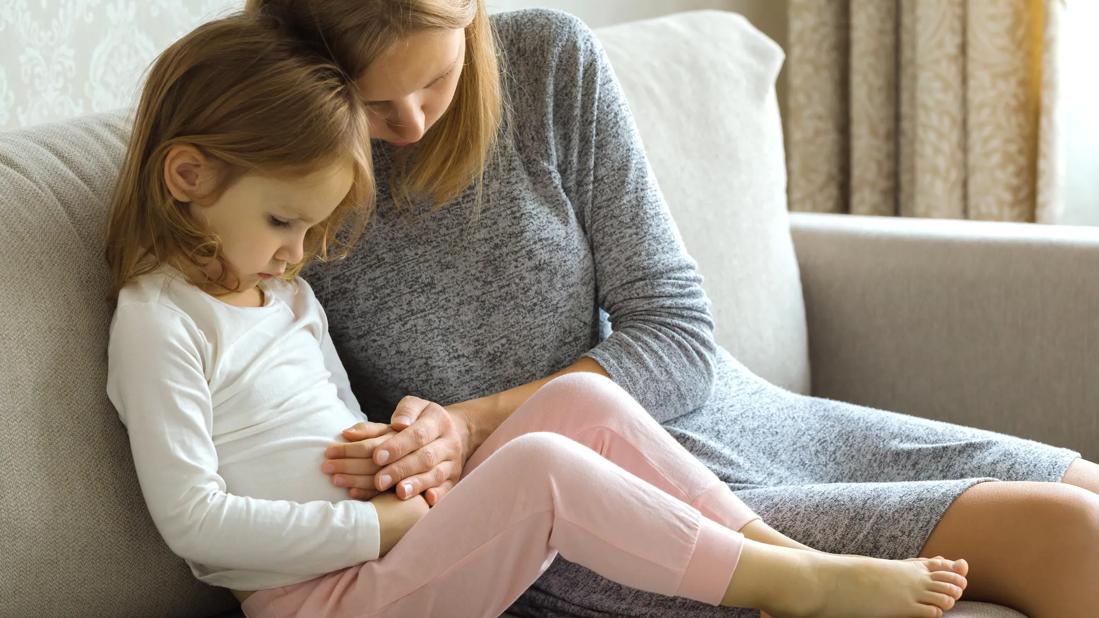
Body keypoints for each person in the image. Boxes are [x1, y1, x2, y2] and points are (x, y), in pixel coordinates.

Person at [241, 1, 1099, 616]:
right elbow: (306, 440)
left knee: (1084, 487)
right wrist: (440, 451)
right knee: (1069, 536)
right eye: (374, 101)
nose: (416, 122)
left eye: (434, 78)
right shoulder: (279, 181)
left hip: (723, 412)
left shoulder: (545, 59)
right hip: (586, 505)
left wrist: (464, 421)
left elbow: (676, 333)